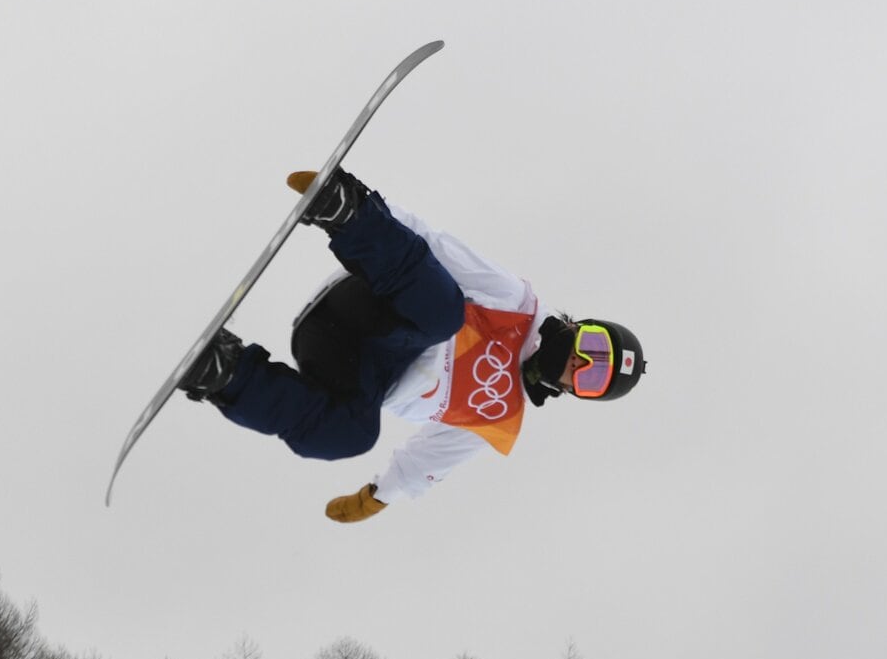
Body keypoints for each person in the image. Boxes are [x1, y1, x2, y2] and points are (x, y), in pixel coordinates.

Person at [178, 168, 646, 523]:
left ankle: (226, 372)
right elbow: (435, 246)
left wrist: (380, 495)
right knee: (445, 313)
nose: (580, 361)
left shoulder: (498, 415)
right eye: (594, 348)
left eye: (592, 376)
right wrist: (360, 213)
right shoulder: (514, 303)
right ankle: (345, 212)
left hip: (350, 367)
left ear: (576, 393)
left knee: (353, 435)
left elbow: (427, 460)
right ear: (581, 324)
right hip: (365, 309)